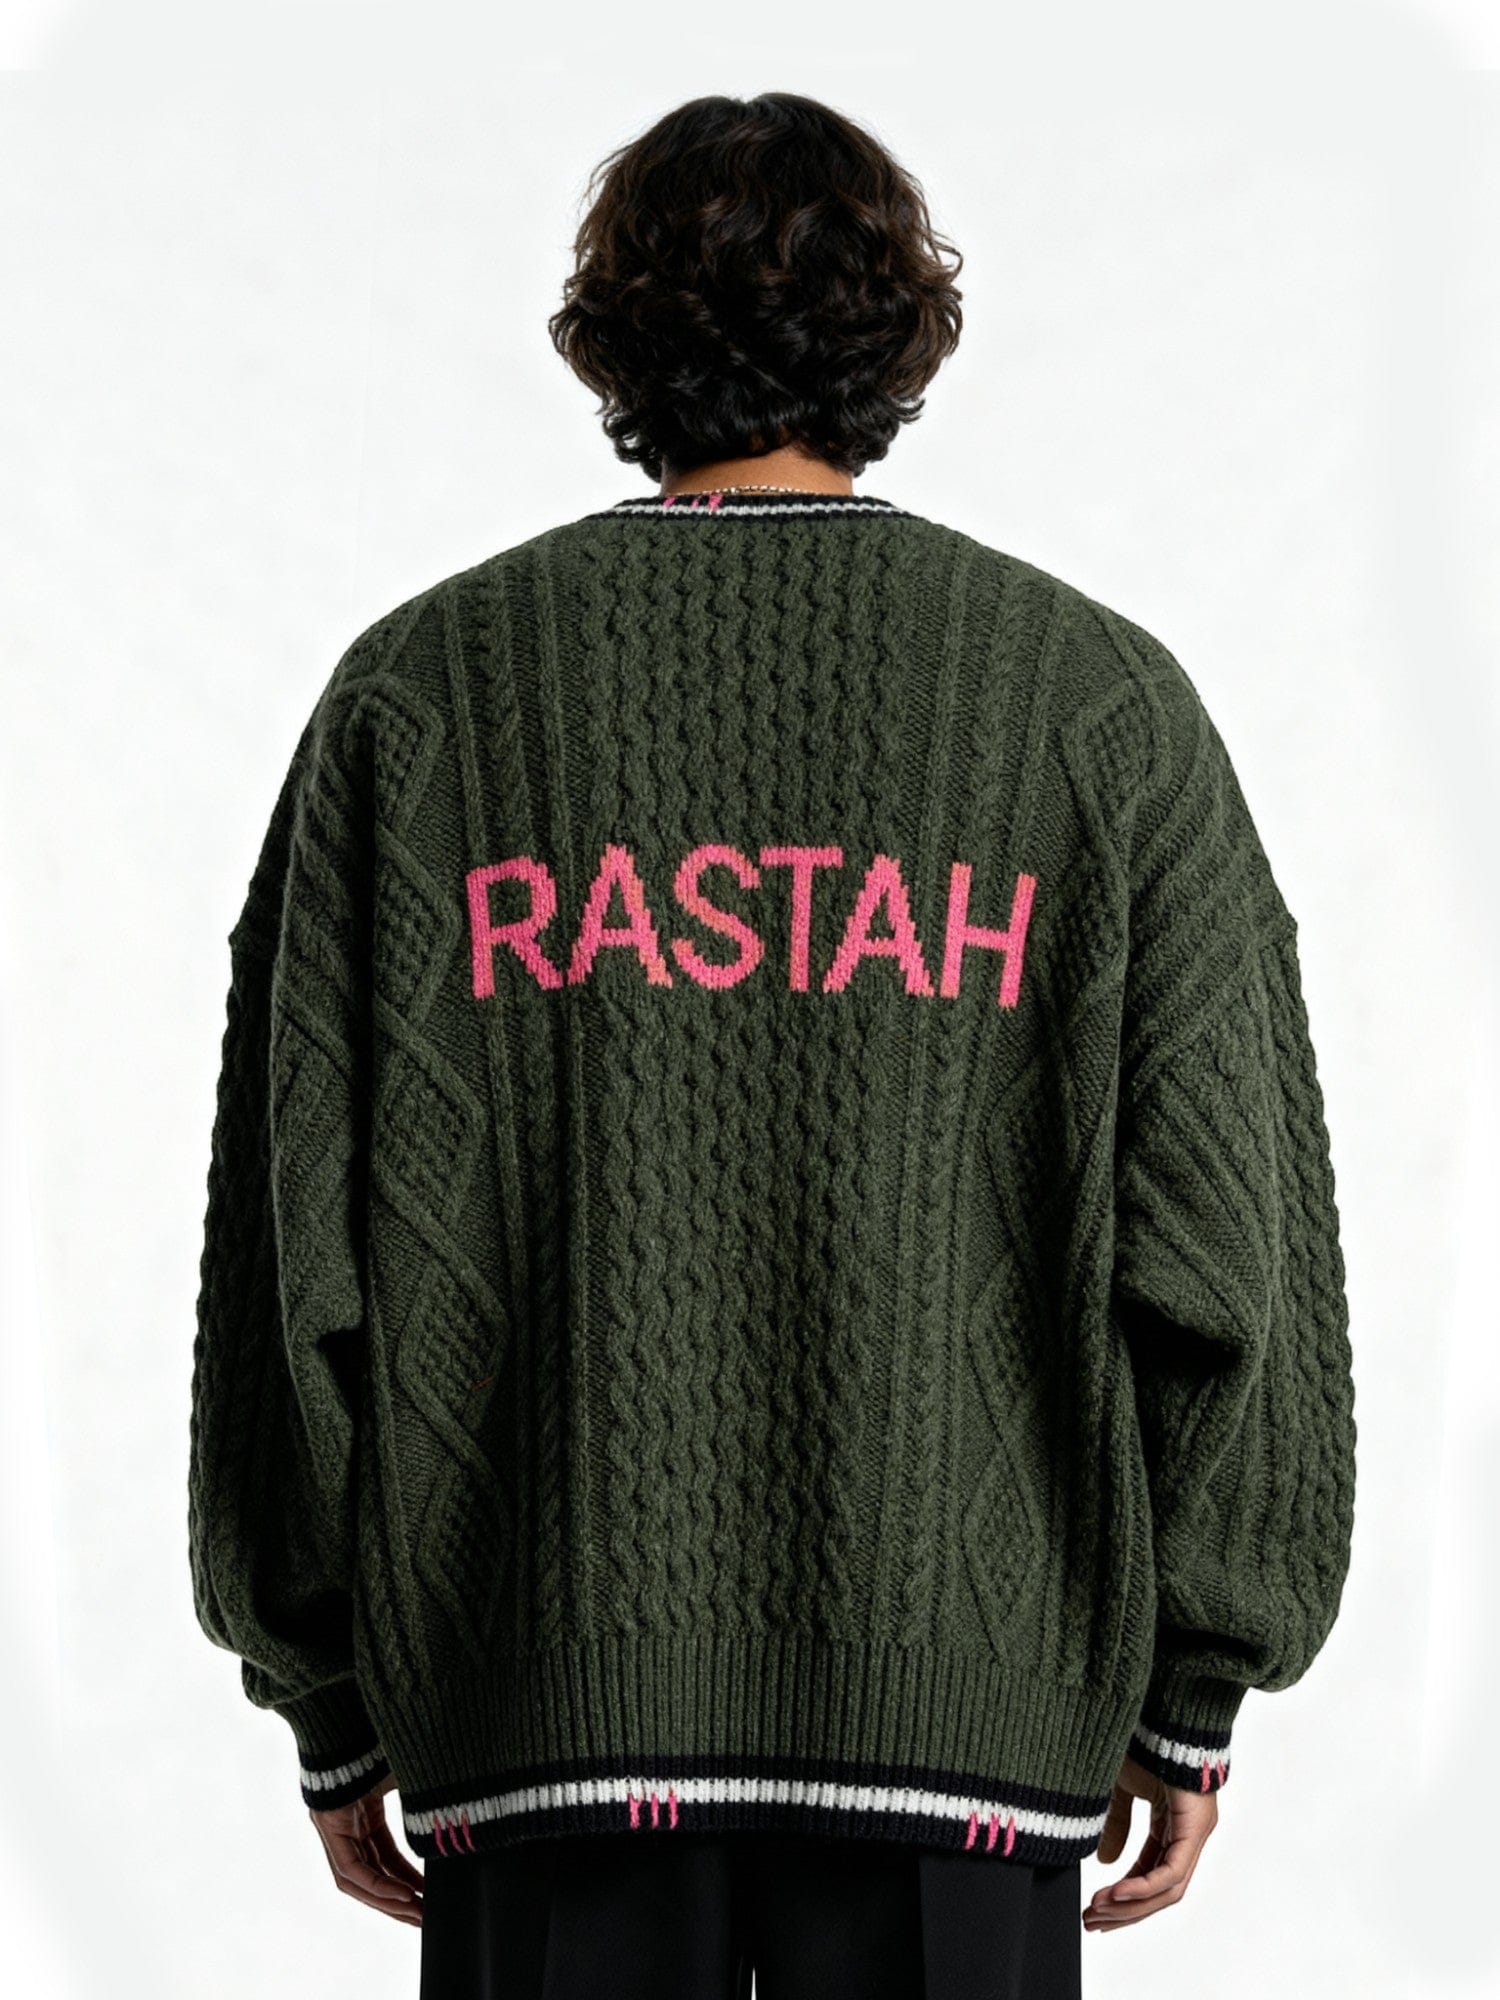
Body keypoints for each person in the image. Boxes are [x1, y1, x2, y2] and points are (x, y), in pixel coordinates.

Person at [186, 91, 1357, 1998]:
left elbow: (292, 1246)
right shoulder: (1095, 706)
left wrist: (323, 1680)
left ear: (613, 340)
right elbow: (1232, 1244)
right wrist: (1199, 1682)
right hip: (966, 1734)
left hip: (544, 1712)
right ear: (901, 335)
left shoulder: (422, 698)